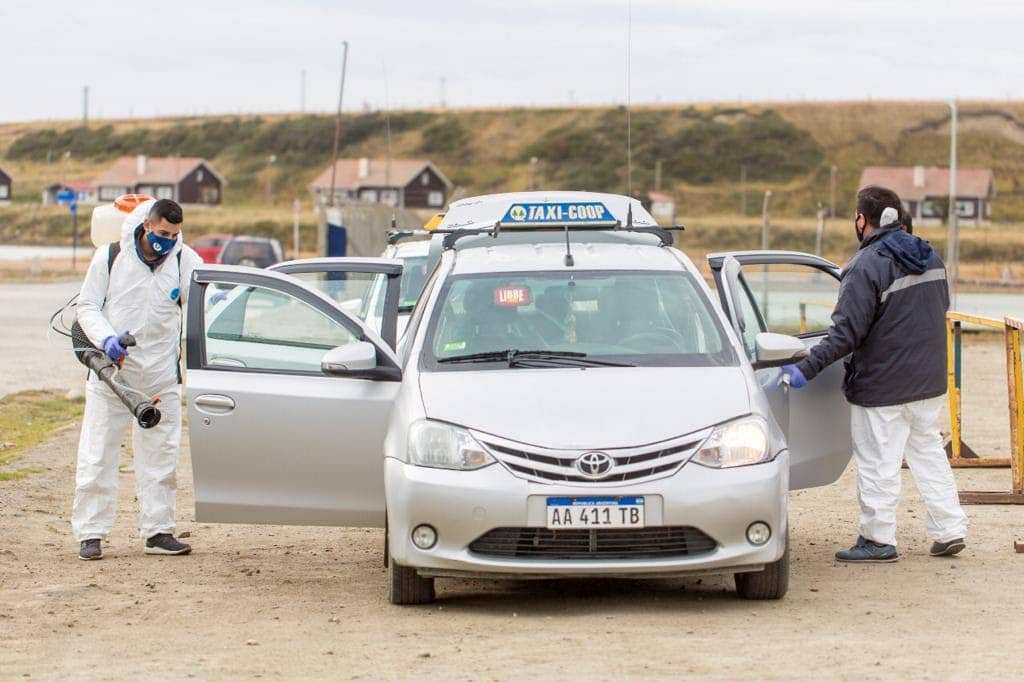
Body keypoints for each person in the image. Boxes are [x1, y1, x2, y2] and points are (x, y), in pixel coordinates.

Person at [783, 185, 967, 563]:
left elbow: (846, 333)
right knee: (928, 453)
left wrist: (806, 367)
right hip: (928, 381)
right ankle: (950, 529)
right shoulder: (930, 256)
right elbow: (936, 310)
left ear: (862, 219)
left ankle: (878, 539)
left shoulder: (866, 265)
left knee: (878, 462)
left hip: (883, 386)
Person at [72, 198, 203, 560]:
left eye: (174, 235)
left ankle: (158, 532)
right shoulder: (111, 257)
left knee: (161, 458)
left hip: (160, 378)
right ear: (147, 225)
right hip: (113, 378)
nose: (167, 240)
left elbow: (202, 305)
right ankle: (91, 533)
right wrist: (106, 340)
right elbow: (86, 307)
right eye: (162, 233)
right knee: (98, 455)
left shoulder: (183, 259)